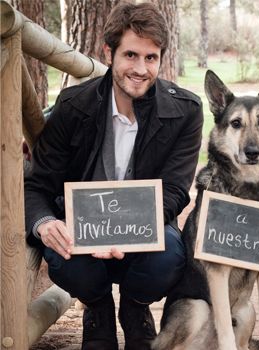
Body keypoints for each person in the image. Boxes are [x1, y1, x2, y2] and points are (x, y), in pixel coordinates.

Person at [24, 2, 203, 349]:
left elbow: (175, 191)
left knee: (170, 256)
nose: (140, 69)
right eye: (131, 55)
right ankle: (98, 307)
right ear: (109, 52)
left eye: (151, 58)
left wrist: (132, 231)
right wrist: (45, 222)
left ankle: (135, 308)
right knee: (62, 256)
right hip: (82, 233)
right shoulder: (73, 107)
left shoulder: (186, 111)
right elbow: (37, 183)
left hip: (145, 229)